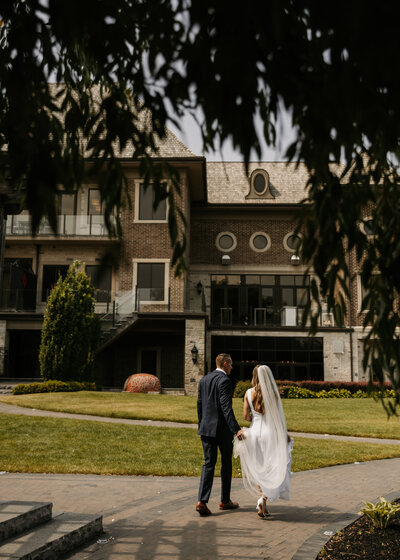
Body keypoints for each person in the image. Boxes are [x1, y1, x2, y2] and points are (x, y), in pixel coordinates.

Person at [234, 365, 293, 518]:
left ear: (254, 376)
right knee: (273, 466)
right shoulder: (272, 393)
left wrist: (255, 416)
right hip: (270, 433)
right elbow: (277, 417)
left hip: (254, 433)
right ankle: (263, 498)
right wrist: (284, 434)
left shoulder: (248, 393)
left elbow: (245, 416)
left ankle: (261, 499)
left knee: (259, 468)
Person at [196, 353, 244, 516]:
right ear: (224, 364)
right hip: (221, 430)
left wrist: (201, 425)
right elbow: (226, 408)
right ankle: (225, 500)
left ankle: (201, 501)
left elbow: (200, 405)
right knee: (226, 464)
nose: (232, 367)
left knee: (208, 464)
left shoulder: (204, 380)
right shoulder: (224, 381)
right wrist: (236, 428)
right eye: (230, 364)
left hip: (206, 429)